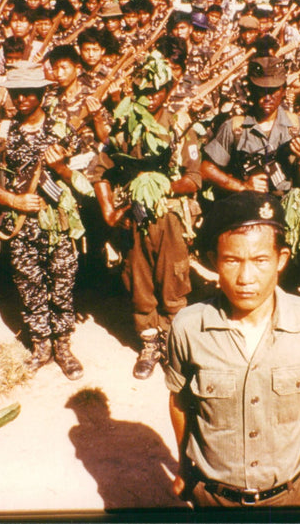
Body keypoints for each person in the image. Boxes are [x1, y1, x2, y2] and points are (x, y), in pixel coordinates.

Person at [166, 191, 300, 507]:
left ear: (281, 259)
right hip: (214, 499)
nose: (245, 278)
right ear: (214, 260)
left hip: (289, 497)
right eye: (231, 260)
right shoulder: (188, 327)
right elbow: (179, 399)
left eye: (260, 261)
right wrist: (183, 465)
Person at [0, 61, 92, 380]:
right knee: (29, 287)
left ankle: (63, 347)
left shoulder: (64, 129)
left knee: (62, 286)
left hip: (59, 226)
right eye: (16, 93)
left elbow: (87, 175)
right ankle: (42, 346)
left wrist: (64, 169)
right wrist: (13, 200)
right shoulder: (2, 133)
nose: (22, 98)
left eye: (29, 92)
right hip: (21, 227)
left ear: (42, 93)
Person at [92, 53, 202, 380]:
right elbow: (101, 170)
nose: (152, 95)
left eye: (159, 89)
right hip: (134, 217)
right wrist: (110, 212)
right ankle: (149, 342)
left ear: (170, 90)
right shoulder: (126, 126)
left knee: (174, 280)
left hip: (169, 217)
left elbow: (194, 177)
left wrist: (159, 186)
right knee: (138, 280)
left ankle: (173, 340)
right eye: (145, 88)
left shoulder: (180, 127)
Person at [201, 56, 300, 198]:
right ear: (252, 90)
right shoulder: (235, 126)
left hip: (285, 208)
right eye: (262, 89)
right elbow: (205, 170)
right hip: (246, 207)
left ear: (283, 90)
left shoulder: (298, 125)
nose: (268, 97)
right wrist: (242, 186)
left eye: (273, 90)